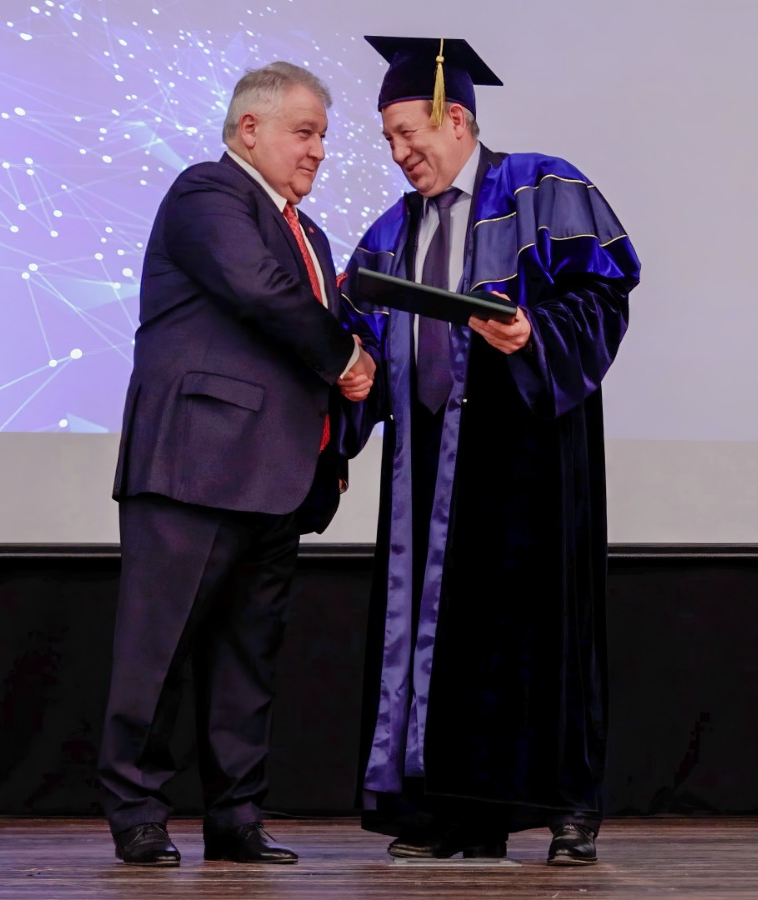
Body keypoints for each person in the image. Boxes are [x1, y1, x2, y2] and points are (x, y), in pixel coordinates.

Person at [336, 36, 641, 866]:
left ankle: (570, 807)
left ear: (458, 120)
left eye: (410, 134)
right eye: (389, 140)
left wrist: (534, 331)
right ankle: (459, 817)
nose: (399, 154)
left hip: (528, 459)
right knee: (447, 648)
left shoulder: (541, 189)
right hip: (431, 465)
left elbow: (604, 294)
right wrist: (354, 368)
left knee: (544, 632)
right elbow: (360, 340)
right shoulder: (389, 234)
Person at [98, 61, 375, 867]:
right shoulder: (207, 192)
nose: (319, 150)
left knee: (247, 661)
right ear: (249, 129)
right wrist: (346, 358)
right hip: (195, 465)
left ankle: (236, 818)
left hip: (279, 479)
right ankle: (137, 812)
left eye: (323, 135)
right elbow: (258, 290)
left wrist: (370, 370)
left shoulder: (310, 233)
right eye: (305, 131)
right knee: (157, 651)